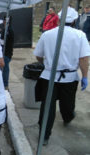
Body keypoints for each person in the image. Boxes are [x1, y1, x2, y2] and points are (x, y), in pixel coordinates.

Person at [34, 7, 90, 145]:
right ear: (74, 21)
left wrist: (47, 64)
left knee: (48, 106)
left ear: (59, 19)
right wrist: (84, 76)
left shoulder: (47, 34)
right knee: (67, 103)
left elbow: (38, 56)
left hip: (49, 76)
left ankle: (44, 136)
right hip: (69, 78)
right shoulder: (80, 35)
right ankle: (67, 117)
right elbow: (84, 59)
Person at [0, 16, 14, 90]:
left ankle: (5, 85)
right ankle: (4, 83)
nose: (3, 21)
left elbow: (5, 42)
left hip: (7, 53)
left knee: (5, 69)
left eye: (4, 20)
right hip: (5, 52)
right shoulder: (6, 29)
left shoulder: (8, 30)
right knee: (3, 68)